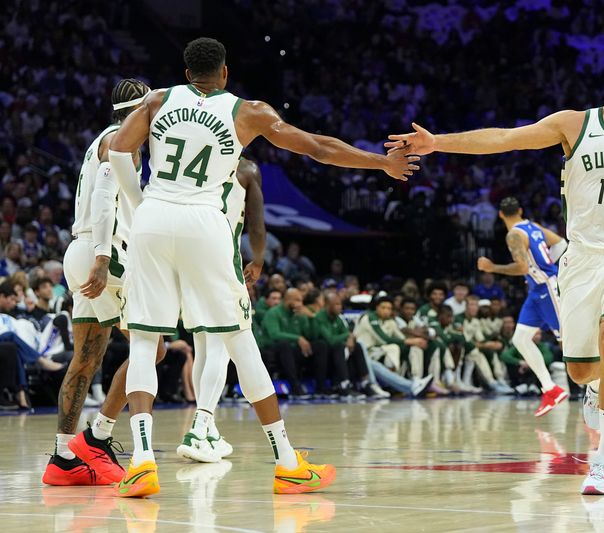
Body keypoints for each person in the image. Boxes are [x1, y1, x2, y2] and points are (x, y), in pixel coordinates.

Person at [387, 50, 604, 495]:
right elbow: (505, 138)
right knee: (578, 371)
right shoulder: (574, 124)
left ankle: (603, 463)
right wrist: (439, 142)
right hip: (581, 260)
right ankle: (600, 381)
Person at [107, 37, 417, 497]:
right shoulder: (247, 111)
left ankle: (142, 461)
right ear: (225, 73)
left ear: (186, 71)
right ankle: (287, 462)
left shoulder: (156, 99)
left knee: (146, 341)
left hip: (152, 219)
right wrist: (380, 163)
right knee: (237, 338)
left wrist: (143, 205)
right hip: (205, 222)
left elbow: (116, 150)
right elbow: (317, 148)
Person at [43, 78, 169, 488]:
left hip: (77, 251)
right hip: (105, 253)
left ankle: (64, 457)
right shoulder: (123, 142)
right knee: (154, 347)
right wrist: (103, 258)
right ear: (140, 111)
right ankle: (98, 436)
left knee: (86, 357)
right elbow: (102, 197)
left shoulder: (100, 138)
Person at [177, 158, 266, 463]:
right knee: (220, 345)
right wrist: (258, 259)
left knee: (203, 342)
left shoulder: (196, 160)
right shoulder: (247, 170)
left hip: (186, 258)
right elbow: (256, 222)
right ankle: (199, 427)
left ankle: (209, 427)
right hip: (220, 257)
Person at [476, 197, 568, 415]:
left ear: (500, 215)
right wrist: (547, 265)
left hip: (547, 288)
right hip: (537, 290)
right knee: (520, 339)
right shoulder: (532, 226)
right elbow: (561, 244)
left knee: (568, 342)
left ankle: (594, 392)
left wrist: (492, 268)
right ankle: (550, 389)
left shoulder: (514, 235)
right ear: (520, 210)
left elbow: (522, 268)